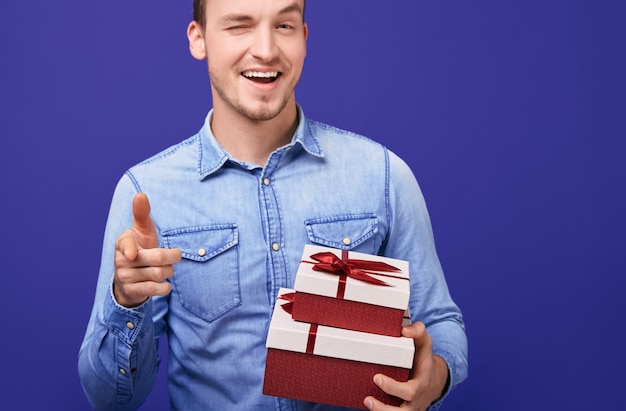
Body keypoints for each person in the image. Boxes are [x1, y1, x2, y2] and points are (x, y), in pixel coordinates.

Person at [78, 0, 468, 410]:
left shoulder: (385, 177)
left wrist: (433, 378)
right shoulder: (146, 193)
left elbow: (441, 324)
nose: (265, 49)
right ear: (199, 38)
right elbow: (110, 399)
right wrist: (127, 300)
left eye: (284, 25)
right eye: (239, 26)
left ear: (304, 37)